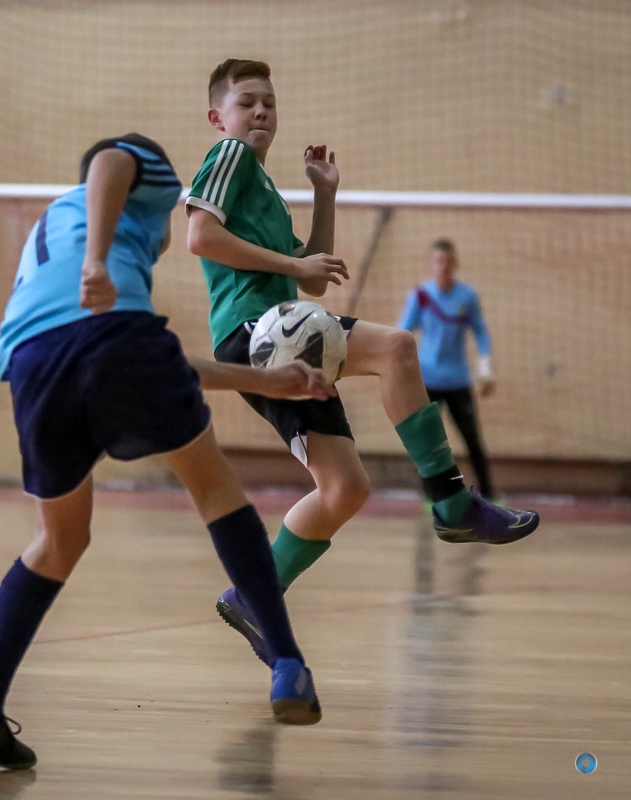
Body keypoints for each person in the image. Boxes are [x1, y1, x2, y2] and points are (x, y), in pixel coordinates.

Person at [0, 134, 331, 771]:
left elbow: (153, 362)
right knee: (215, 489)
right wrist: (97, 261)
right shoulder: (127, 191)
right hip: (109, 338)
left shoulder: (54, 232)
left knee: (58, 541)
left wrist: (267, 381)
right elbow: (110, 160)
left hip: (33, 367)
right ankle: (287, 661)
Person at [185, 59, 539, 664]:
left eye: (269, 102)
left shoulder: (264, 189)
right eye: (247, 102)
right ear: (218, 118)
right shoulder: (230, 156)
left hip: (278, 330)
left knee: (345, 489)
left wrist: (325, 193)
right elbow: (200, 236)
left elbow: (314, 277)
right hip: (255, 331)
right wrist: (293, 266)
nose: (261, 110)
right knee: (397, 347)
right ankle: (452, 502)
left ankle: (252, 596)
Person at [398, 239, 496, 500]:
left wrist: (485, 366)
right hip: (427, 380)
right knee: (427, 444)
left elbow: (481, 331)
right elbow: (402, 332)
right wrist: (401, 370)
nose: (443, 266)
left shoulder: (467, 296)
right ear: (431, 264)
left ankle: (488, 494)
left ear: (456, 264)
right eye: (439, 261)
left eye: (448, 261)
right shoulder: (421, 296)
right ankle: (431, 497)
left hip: (458, 380)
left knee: (472, 439)